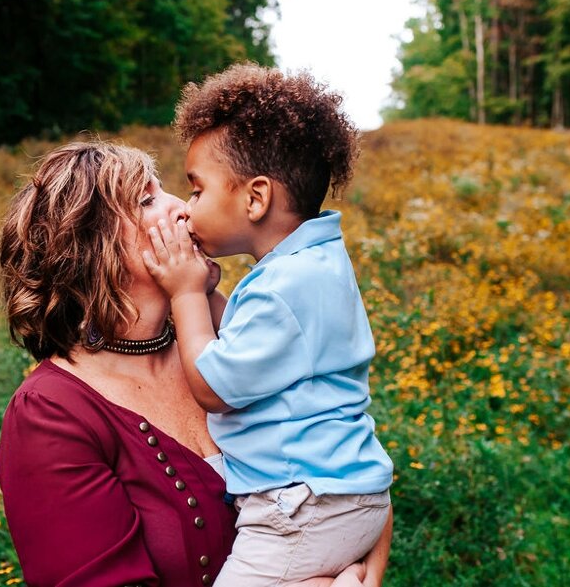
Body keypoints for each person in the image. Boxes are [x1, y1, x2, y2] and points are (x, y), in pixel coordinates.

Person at [0, 140, 392, 586]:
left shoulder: (228, 344)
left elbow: (345, 451)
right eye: (147, 199)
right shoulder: (52, 413)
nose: (184, 208)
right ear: (90, 250)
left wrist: (368, 567)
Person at [142, 63, 394, 585]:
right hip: (336, 492)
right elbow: (247, 345)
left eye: (196, 191)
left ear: (255, 198)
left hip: (303, 504)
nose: (185, 212)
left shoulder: (283, 288)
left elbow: (216, 386)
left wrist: (188, 294)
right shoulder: (310, 266)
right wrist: (208, 292)